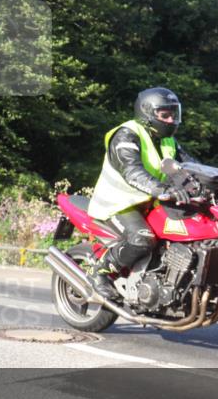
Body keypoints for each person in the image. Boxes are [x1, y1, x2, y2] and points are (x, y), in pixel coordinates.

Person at [85, 87, 199, 299]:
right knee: (142, 239)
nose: (171, 119)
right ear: (147, 113)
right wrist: (164, 189)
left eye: (174, 114)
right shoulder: (126, 135)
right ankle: (101, 273)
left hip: (151, 202)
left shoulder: (167, 141)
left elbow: (190, 166)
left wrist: (214, 183)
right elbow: (132, 170)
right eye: (165, 115)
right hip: (119, 203)